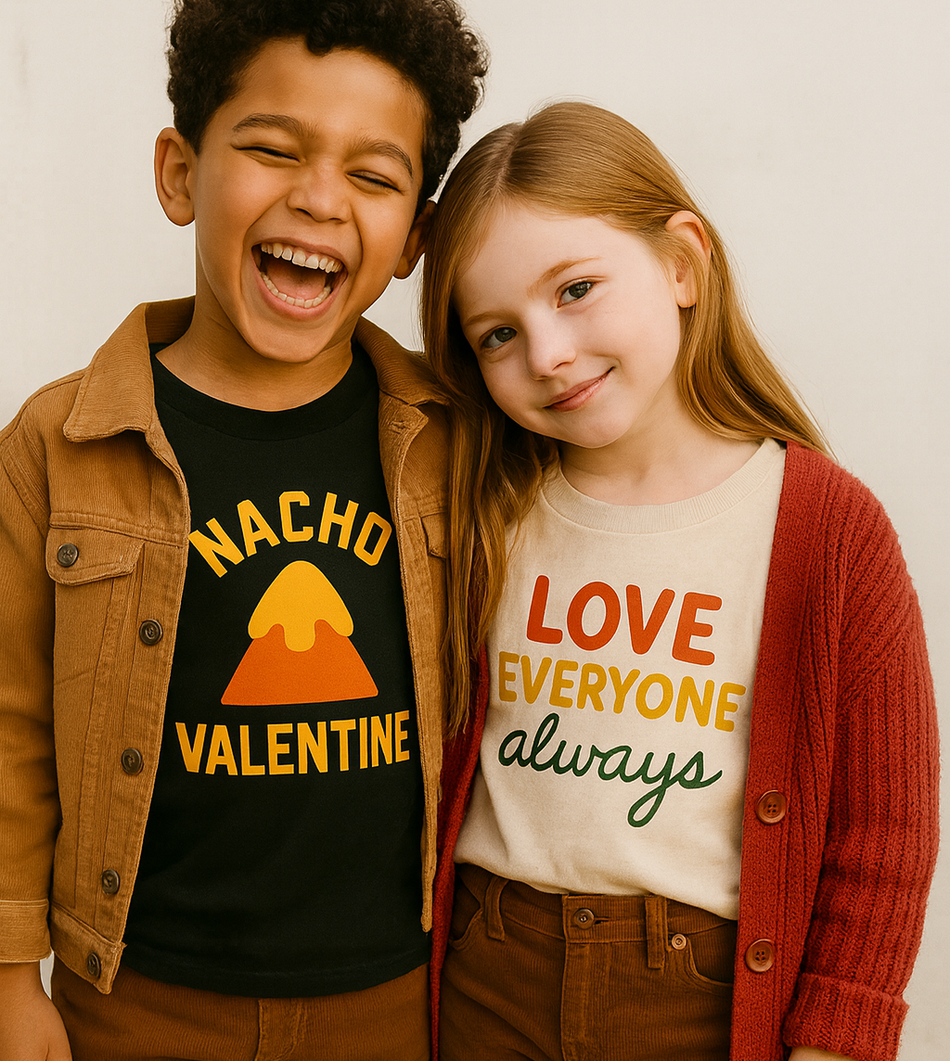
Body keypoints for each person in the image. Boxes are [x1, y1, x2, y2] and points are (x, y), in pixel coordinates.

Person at [0, 2, 487, 1058]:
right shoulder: (59, 442)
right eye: (271, 150)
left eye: (373, 174)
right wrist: (6, 974)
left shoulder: (458, 446)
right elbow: (10, 723)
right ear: (179, 172)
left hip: (398, 1000)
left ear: (415, 236)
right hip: (136, 998)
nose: (317, 197)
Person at [421, 102, 939, 1061]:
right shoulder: (482, 506)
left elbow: (885, 838)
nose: (548, 353)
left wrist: (835, 1042)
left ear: (681, 262)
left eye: (575, 289)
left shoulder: (827, 529)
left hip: (698, 1002)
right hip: (488, 976)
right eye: (496, 333)